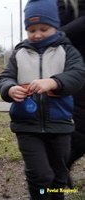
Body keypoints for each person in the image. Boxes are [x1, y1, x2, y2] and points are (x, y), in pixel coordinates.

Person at [0, 0, 85, 199]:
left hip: (60, 125)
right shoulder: (20, 53)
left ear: (55, 25)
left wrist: (54, 83)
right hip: (27, 126)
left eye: (43, 29)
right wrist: (10, 88)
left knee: (60, 177)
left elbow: (78, 74)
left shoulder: (67, 50)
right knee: (40, 175)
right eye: (31, 29)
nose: (37, 34)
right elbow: (5, 77)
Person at [57, 0, 85, 188]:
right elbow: (52, 34)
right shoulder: (58, 4)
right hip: (75, 73)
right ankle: (57, 168)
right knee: (80, 133)